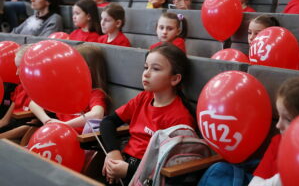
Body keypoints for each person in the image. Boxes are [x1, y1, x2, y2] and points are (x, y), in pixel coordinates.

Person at [100, 43, 196, 185]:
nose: (146, 73)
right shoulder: (144, 98)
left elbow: (168, 168)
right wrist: (113, 153)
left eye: (155, 69)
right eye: (146, 67)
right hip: (123, 160)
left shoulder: (181, 118)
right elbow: (108, 122)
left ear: (175, 79)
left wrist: (129, 170)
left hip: (147, 175)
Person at [29, 43, 110, 134]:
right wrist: (47, 120)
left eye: (72, 65)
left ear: (87, 70)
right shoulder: (66, 90)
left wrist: (65, 124)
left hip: (78, 140)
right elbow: (34, 103)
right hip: (58, 133)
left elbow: (97, 114)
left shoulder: (95, 94)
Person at [249, 77, 299, 186]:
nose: (278, 125)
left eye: (288, 119)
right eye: (278, 117)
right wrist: (281, 179)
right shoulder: (277, 143)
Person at [0, 44, 36, 139]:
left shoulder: (44, 93)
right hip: (10, 130)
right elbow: (5, 120)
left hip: (23, 138)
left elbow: (30, 127)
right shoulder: (20, 88)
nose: (16, 72)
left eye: (20, 67)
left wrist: (1, 138)